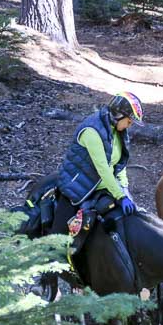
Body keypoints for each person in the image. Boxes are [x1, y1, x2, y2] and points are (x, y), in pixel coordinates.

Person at [51, 92, 144, 235]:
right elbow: (103, 168)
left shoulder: (118, 130)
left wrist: (125, 189)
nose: (130, 125)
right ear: (118, 114)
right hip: (78, 186)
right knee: (59, 237)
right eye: (129, 121)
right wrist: (120, 196)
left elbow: (120, 163)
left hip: (105, 185)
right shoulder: (91, 131)